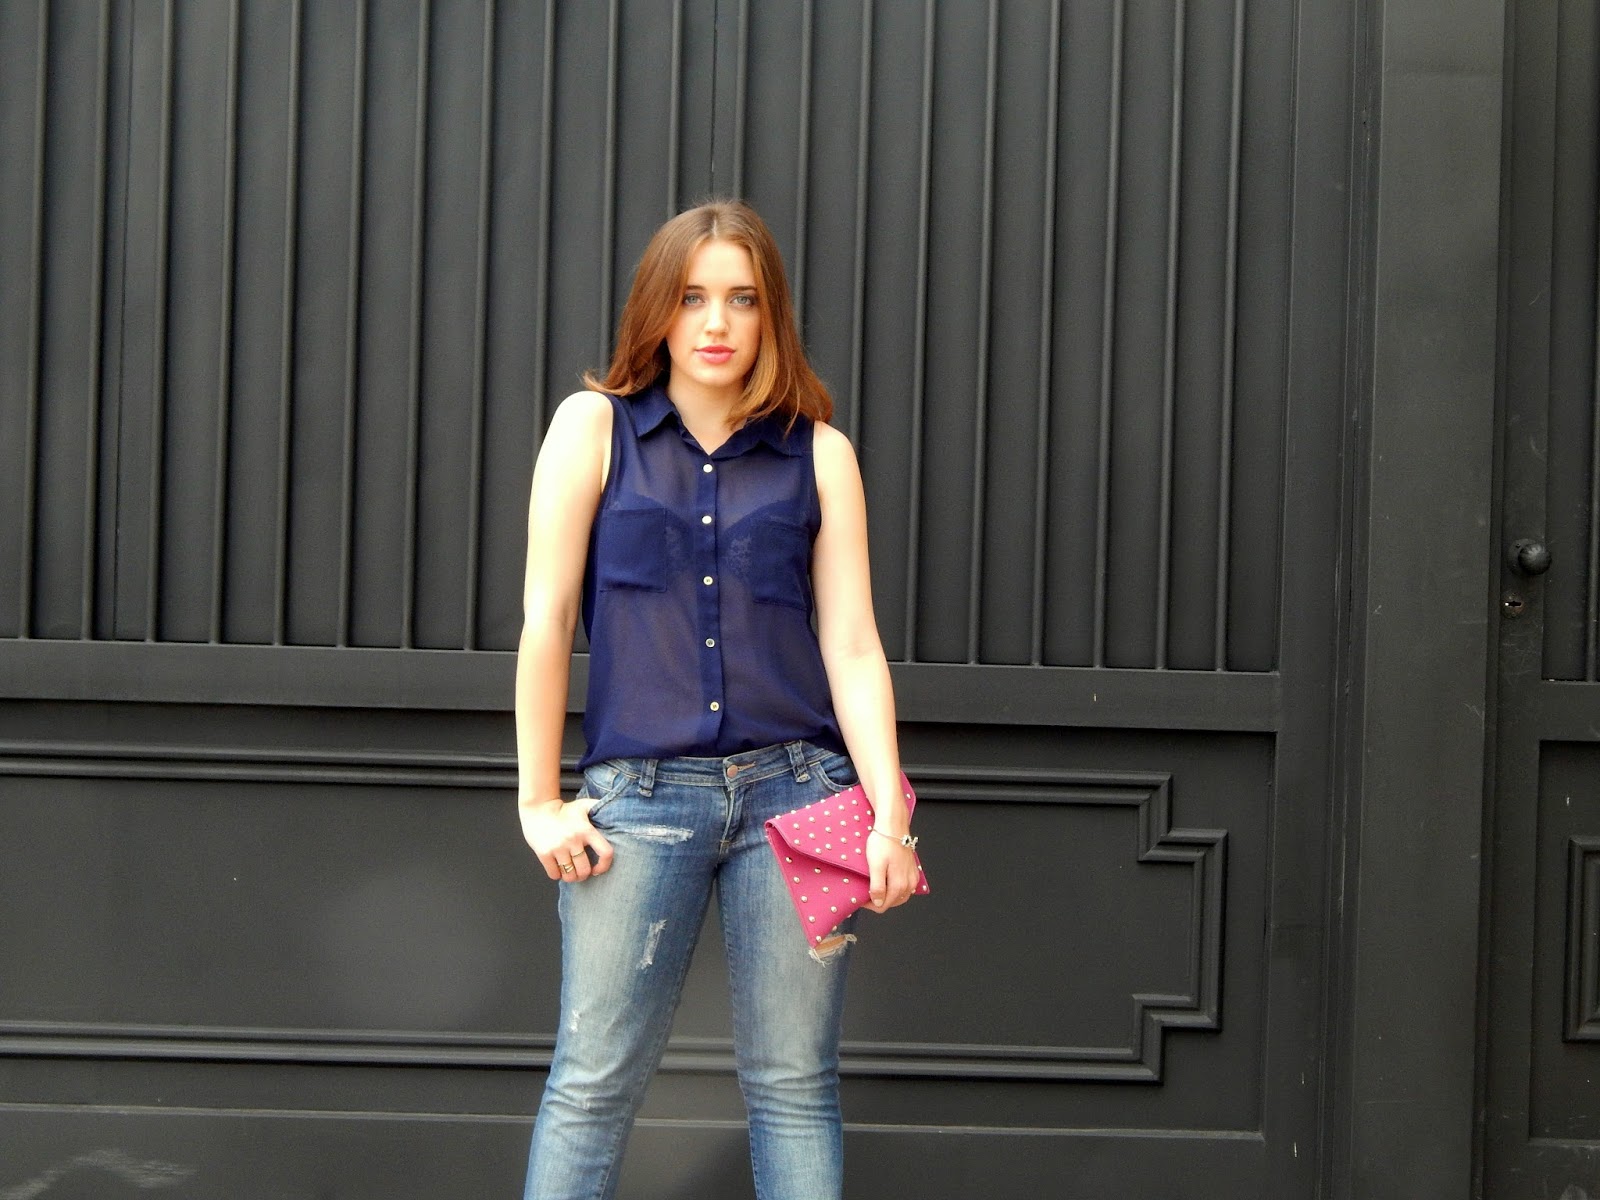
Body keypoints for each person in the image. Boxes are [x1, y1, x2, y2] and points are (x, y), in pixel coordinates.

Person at [514, 199, 920, 1200]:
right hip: (638, 799)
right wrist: (538, 801)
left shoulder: (820, 454)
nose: (715, 322)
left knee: (795, 1088)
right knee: (592, 1085)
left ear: (769, 314)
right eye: (692, 297)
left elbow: (852, 646)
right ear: (656, 308)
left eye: (741, 299)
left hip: (803, 796)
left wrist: (889, 819)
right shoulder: (592, 429)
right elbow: (545, 621)